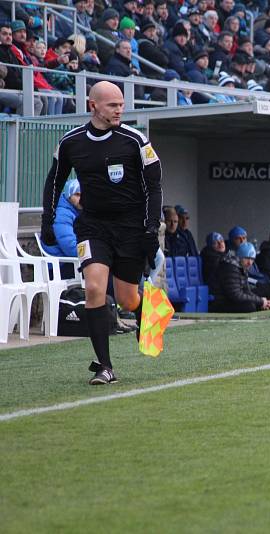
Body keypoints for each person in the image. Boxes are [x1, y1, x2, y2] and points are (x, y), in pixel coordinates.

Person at [40, 81, 162, 385]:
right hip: (92, 226)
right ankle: (105, 366)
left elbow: (154, 187)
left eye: (121, 104)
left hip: (130, 228)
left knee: (127, 297)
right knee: (94, 288)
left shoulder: (134, 140)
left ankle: (150, 311)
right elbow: (54, 182)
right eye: (112, 105)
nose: (119, 110)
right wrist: (48, 220)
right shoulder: (71, 142)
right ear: (93, 106)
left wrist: (150, 228)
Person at [210, 242, 270, 312]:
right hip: (218, 302)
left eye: (252, 259)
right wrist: (260, 301)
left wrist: (261, 301)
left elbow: (246, 291)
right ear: (239, 256)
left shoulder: (241, 266)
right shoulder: (230, 268)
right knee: (249, 306)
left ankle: (267, 304)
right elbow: (236, 295)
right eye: (247, 258)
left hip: (229, 299)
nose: (250, 262)